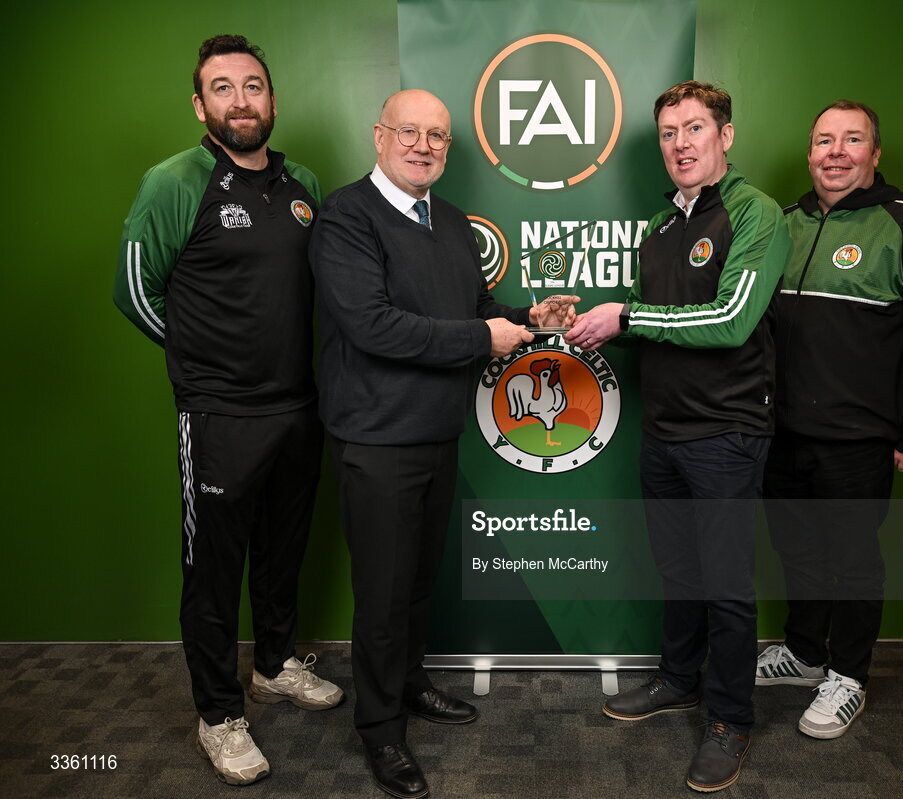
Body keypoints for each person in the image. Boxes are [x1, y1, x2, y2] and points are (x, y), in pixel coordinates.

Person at [310, 89, 576, 799]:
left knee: (418, 580)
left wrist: (528, 316)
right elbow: (373, 325)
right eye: (409, 132)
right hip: (376, 437)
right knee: (382, 592)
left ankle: (409, 683)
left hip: (436, 431)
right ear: (379, 136)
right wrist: (482, 336)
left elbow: (475, 311)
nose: (423, 146)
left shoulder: (452, 222)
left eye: (437, 136)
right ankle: (380, 728)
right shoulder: (346, 216)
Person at [113, 34, 342, 786]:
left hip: (298, 407)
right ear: (199, 104)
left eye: (252, 86)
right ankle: (217, 714)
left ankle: (273, 665)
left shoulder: (302, 184)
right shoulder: (175, 181)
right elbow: (135, 289)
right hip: (218, 414)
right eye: (222, 88)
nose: (240, 101)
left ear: (272, 99)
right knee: (213, 573)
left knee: (283, 550)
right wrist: (200, 363)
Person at [566, 81, 791, 792]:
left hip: (726, 432)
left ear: (726, 135)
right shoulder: (663, 227)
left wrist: (627, 317)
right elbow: (656, 322)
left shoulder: (755, 213)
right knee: (678, 570)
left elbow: (730, 320)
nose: (681, 144)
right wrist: (592, 325)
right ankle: (678, 679)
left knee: (726, 584)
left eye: (695, 128)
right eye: (668, 133)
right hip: (663, 432)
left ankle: (730, 719)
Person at [755, 101, 903, 739]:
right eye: (825, 140)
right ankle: (804, 651)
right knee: (796, 548)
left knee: (851, 559)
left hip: (860, 436)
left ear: (875, 154)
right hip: (782, 431)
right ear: (810, 153)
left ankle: (848, 674)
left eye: (852, 140)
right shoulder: (782, 223)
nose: (836, 152)